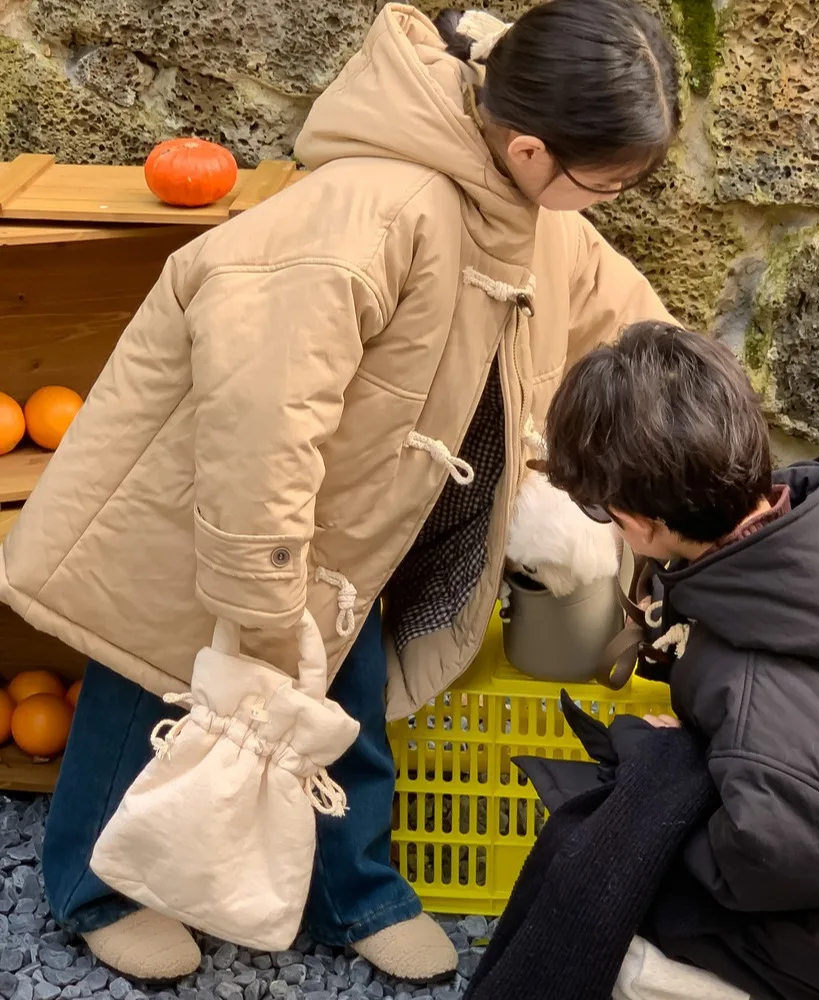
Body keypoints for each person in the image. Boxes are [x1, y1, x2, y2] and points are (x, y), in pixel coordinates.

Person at [0, 0, 682, 985]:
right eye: (606, 182)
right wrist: (261, 582)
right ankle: (95, 883)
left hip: (352, 520)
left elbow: (614, 313)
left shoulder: (527, 216)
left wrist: (694, 411)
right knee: (149, 681)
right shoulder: (369, 210)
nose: (607, 201)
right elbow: (259, 414)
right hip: (222, 506)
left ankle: (349, 888)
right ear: (532, 149)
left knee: (341, 697)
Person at [536, 321, 819, 1000]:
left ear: (640, 523)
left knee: (600, 910)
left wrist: (666, 783)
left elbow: (756, 863)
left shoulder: (753, 693)